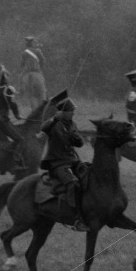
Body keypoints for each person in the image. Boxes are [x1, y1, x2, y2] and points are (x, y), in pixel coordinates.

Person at [40, 90, 88, 232]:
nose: (73, 113)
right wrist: (54, 119)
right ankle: (77, 218)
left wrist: (76, 137)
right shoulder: (54, 124)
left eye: (73, 111)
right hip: (57, 163)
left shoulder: (72, 125)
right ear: (63, 112)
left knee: (88, 175)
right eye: (71, 111)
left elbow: (80, 143)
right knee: (73, 183)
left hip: (72, 160)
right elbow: (43, 128)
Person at [0, 63, 25, 172]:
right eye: (6, 75)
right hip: (2, 120)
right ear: (3, 76)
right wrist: (17, 115)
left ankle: (4, 163)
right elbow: (12, 105)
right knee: (20, 139)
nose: (8, 77)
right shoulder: (7, 89)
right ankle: (16, 163)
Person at [19, 36, 47, 108]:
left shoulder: (23, 53)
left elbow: (22, 64)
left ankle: (21, 94)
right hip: (37, 72)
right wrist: (41, 69)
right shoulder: (38, 51)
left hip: (27, 73)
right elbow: (43, 61)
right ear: (33, 43)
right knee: (42, 93)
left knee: (30, 96)